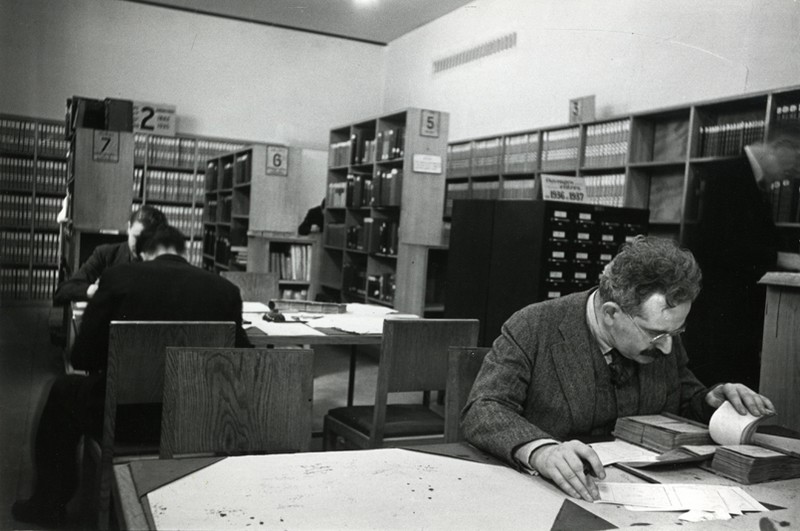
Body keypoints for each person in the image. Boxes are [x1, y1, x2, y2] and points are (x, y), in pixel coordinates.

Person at [461, 236, 774, 503]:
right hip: (550, 495)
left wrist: (710, 402)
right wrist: (541, 451)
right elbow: (484, 409)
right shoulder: (534, 327)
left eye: (675, 334)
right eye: (656, 335)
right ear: (611, 313)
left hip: (646, 497)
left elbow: (679, 398)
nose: (666, 348)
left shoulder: (662, 332)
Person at [12, 224, 252, 527]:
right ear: (185, 251)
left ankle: (48, 503)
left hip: (125, 421)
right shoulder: (225, 291)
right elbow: (242, 358)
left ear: (141, 253)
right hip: (196, 420)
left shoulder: (119, 278)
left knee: (63, 391)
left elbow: (81, 355)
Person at [52, 205, 167, 305]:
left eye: (147, 240)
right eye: (136, 237)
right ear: (128, 228)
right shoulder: (106, 254)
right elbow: (63, 291)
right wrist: (92, 291)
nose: (139, 245)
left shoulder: (165, 261)